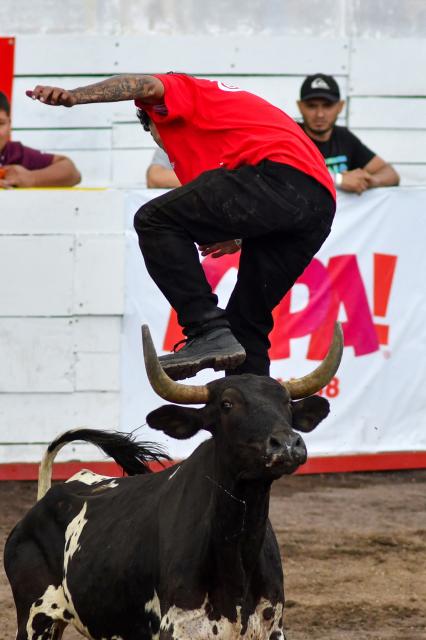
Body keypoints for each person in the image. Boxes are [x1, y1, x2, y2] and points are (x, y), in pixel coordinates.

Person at [27, 73, 336, 380]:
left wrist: (75, 96)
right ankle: (257, 419)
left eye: (154, 136)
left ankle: (206, 328)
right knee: (246, 321)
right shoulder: (222, 134)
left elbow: (143, 85)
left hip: (280, 175)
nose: (164, 145)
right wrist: (240, 236)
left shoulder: (182, 95)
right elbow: (264, 196)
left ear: (154, 123)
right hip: (317, 205)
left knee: (154, 220)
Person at [297, 74, 400, 194]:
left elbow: (390, 174)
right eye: (312, 106)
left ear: (340, 106)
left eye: (327, 106)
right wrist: (339, 180)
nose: (320, 114)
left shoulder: (343, 137)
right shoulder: (291, 136)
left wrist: (369, 181)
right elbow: (289, 175)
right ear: (300, 106)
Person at [0, 91, 81, 188]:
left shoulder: (15, 153)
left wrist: (32, 178)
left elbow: (71, 172)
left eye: (0, 123)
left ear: (9, 125)